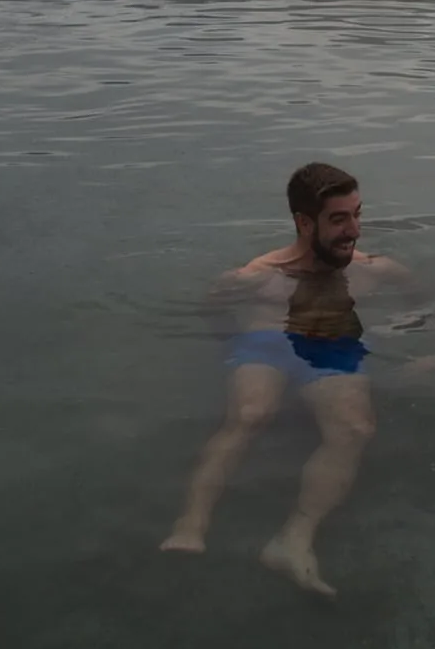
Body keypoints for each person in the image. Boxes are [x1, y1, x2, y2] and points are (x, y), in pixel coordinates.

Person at [160, 161, 409, 595]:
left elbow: (424, 302)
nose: (354, 230)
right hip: (266, 340)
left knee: (354, 428)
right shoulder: (256, 278)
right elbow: (210, 311)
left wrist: (403, 332)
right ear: (303, 222)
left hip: (332, 345)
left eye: (357, 214)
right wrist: (236, 348)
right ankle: (190, 525)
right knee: (251, 413)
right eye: (339, 219)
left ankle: (293, 539)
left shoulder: (374, 269)